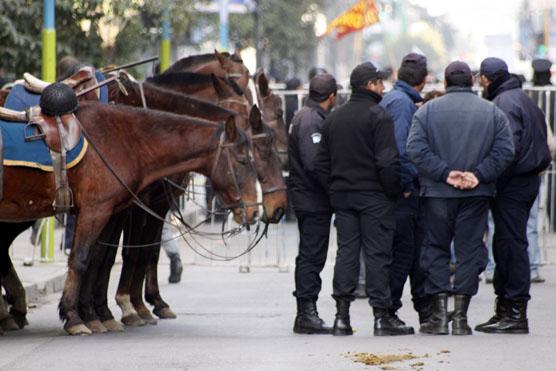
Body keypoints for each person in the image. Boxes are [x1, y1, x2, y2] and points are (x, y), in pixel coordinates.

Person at [406, 61, 515, 336]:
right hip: (476, 193)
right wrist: (478, 175)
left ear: (445, 83)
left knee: (436, 250)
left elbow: (415, 149)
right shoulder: (492, 112)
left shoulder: (428, 111)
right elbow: (505, 151)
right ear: (473, 81)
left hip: (437, 193)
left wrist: (444, 174)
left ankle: (440, 317)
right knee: (469, 251)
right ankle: (461, 319)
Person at [314, 62, 413, 337]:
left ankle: (341, 318)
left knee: (347, 253)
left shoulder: (334, 117)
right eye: (380, 83)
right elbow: (387, 162)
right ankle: (382, 317)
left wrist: (335, 189)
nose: (383, 87)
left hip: (344, 197)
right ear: (370, 85)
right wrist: (393, 191)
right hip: (375, 197)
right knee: (378, 255)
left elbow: (321, 164)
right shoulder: (379, 116)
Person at [476, 57, 551, 334]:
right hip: (524, 180)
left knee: (511, 245)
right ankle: (506, 309)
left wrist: (486, 176)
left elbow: (507, 150)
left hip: (513, 183)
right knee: (508, 243)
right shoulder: (520, 98)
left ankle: (515, 312)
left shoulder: (505, 103)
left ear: (486, 79)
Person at [380, 53, 430, 325]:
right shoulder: (401, 105)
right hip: (403, 193)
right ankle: (389, 310)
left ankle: (415, 307)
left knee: (408, 251)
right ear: (423, 81)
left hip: (399, 190)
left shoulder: (398, 100)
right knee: (404, 252)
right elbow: (401, 150)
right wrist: (407, 184)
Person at [288, 73, 337, 334]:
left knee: (310, 254)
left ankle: (306, 312)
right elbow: (314, 163)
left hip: (311, 198)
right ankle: (306, 314)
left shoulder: (309, 116)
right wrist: (335, 191)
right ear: (332, 97)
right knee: (311, 256)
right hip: (312, 199)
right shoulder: (310, 120)